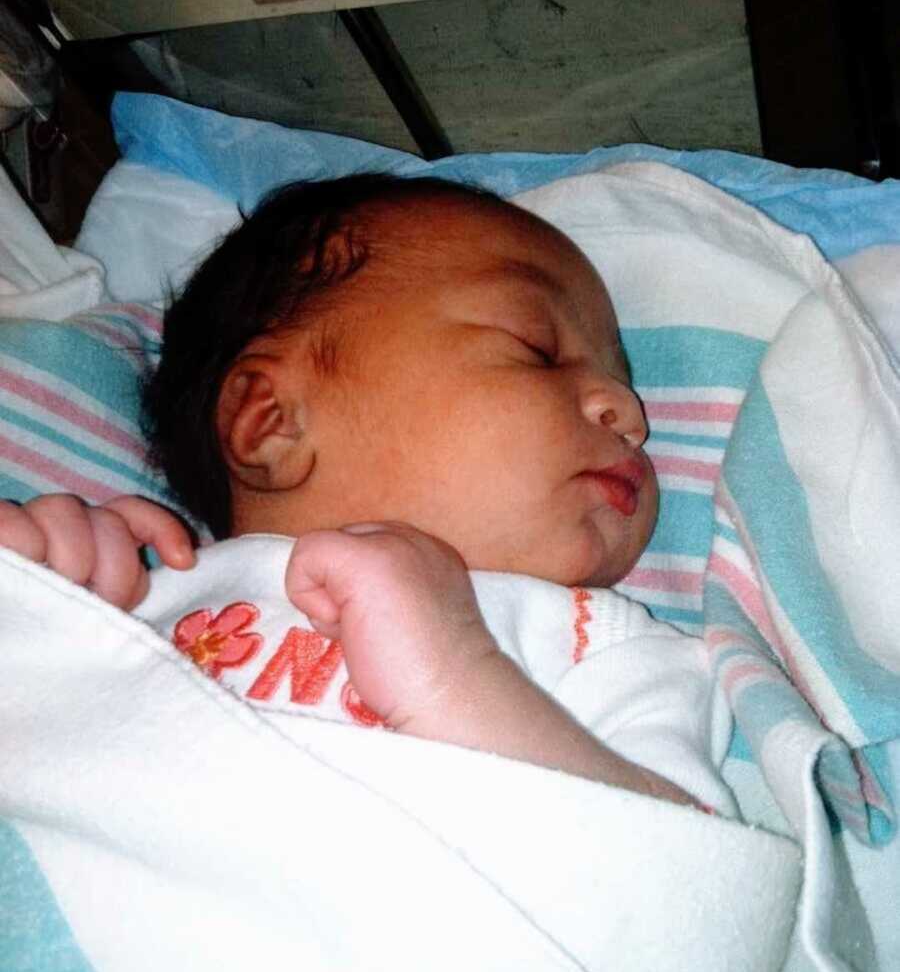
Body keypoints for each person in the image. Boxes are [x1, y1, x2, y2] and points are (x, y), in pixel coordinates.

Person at [0, 174, 734, 814]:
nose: (627, 412)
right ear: (271, 424)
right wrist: (32, 603)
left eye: (623, 379)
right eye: (538, 350)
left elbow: (704, 892)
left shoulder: (612, 653)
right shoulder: (140, 600)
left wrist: (458, 679)